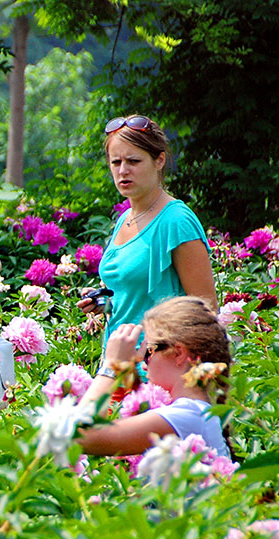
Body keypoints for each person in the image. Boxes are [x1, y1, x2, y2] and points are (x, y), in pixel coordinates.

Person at [76, 114, 217, 345]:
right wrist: (101, 303)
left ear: (159, 160)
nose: (123, 171)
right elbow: (132, 298)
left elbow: (206, 313)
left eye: (133, 161)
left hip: (159, 371)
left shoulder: (177, 221)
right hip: (116, 366)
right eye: (116, 162)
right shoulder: (124, 219)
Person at [76, 296, 231, 458]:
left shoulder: (188, 414)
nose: (143, 365)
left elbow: (80, 436)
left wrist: (111, 365)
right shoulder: (195, 413)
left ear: (178, 353)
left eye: (149, 352)